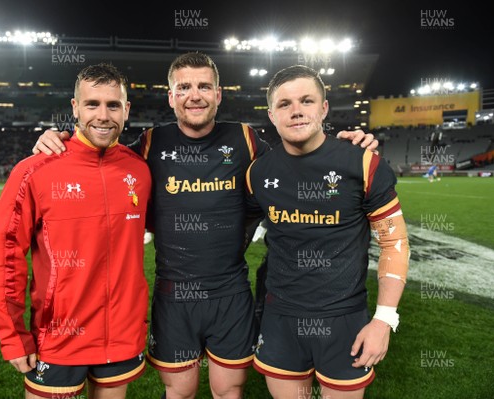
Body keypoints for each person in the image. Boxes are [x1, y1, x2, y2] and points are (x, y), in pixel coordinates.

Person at [33, 52, 379, 399]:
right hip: (174, 298)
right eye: (183, 87)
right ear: (171, 96)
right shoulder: (151, 145)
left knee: (228, 390)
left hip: (231, 295)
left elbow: (296, 159)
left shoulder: (245, 139)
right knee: (179, 391)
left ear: (218, 94)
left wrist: (345, 146)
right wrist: (59, 140)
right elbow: (100, 160)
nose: (194, 95)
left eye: (204, 86)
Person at [0, 63, 151, 399]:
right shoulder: (34, 171)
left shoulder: (140, 169)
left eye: (113, 105)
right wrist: (13, 336)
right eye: (92, 104)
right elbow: (6, 257)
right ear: (75, 107)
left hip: (122, 333)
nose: (103, 115)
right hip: (58, 337)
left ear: (126, 110)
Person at [246, 65, 410, 399]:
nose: (296, 111)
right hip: (280, 319)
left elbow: (394, 242)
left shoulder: (363, 164)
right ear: (272, 115)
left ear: (324, 108)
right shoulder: (258, 173)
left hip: (344, 320)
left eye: (306, 101)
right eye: (284, 104)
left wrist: (383, 320)